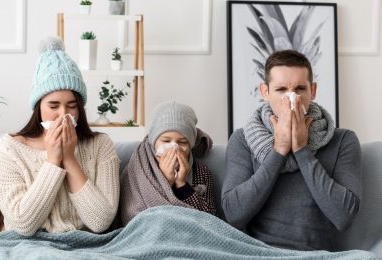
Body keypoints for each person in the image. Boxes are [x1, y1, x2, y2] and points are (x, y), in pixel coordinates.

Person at [0, 37, 120, 258]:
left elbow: (100, 222)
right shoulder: (8, 150)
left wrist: (70, 159)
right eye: (53, 105)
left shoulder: (101, 145)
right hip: (28, 247)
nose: (63, 114)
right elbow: (23, 224)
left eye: (72, 106)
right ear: (38, 108)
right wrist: (53, 161)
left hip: (86, 247)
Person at [222, 50, 362, 251]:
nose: (291, 99)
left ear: (312, 91)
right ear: (265, 91)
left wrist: (302, 149)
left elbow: (344, 217)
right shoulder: (243, 140)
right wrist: (278, 150)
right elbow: (233, 214)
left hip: (317, 256)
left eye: (299, 89)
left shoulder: (343, 140)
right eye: (281, 89)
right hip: (258, 254)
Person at [120, 101, 217, 225]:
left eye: (182, 142)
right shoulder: (139, 168)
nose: (173, 147)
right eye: (166, 141)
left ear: (191, 144)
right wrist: (165, 182)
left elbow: (211, 219)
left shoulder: (202, 173)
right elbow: (131, 216)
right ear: (153, 142)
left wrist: (182, 184)